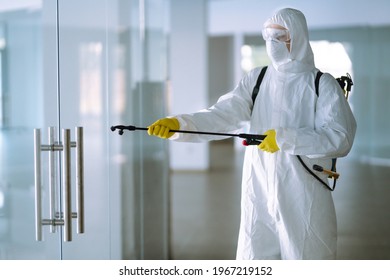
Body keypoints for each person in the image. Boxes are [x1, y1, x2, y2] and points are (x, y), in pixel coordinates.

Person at [147, 8, 356, 260]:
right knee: (253, 261)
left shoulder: (322, 84)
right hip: (258, 188)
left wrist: (284, 139)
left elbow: (340, 138)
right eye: (268, 37)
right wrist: (180, 124)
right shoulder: (257, 79)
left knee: (307, 259)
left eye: (280, 37)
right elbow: (222, 115)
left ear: (298, 37)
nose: (272, 43)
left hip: (304, 193)